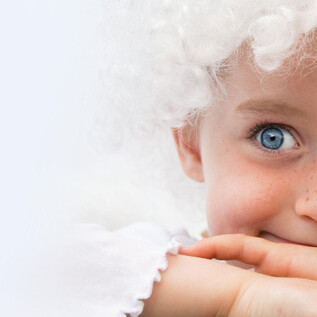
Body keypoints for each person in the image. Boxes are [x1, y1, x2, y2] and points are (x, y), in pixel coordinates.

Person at [61, 1, 317, 316]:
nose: (313, 207)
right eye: (273, 137)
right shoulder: (158, 265)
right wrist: (238, 298)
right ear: (190, 143)